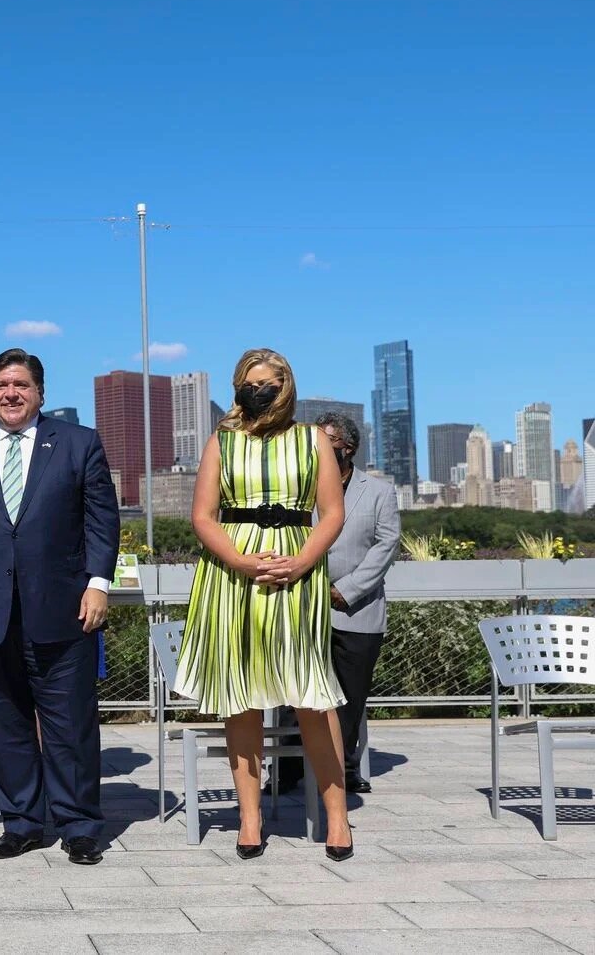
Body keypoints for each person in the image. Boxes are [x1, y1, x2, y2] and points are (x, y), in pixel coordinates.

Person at [172, 348, 353, 861]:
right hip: (232, 578)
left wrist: (299, 564)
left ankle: (337, 817)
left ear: (287, 385)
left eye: (268, 382)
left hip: (299, 574)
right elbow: (203, 516)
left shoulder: (313, 439)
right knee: (241, 698)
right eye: (250, 382)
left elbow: (332, 513)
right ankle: (249, 818)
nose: (259, 390)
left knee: (312, 698)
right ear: (237, 386)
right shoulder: (221, 442)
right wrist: (243, 562)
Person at [0, 348, 119, 867]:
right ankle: (21, 823)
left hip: (64, 607)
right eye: (0, 385)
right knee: (4, 723)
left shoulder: (79, 443)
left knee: (70, 724)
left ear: (41, 392)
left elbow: (101, 520)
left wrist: (99, 583)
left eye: (20, 384)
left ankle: (79, 825)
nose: (10, 394)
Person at [273, 412, 401, 795]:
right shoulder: (299, 486)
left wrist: (346, 589)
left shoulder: (378, 491)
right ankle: (287, 770)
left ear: (349, 449)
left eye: (328, 445)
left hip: (356, 611)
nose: (321, 453)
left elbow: (386, 545)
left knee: (348, 698)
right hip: (300, 603)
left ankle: (341, 770)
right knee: (293, 694)